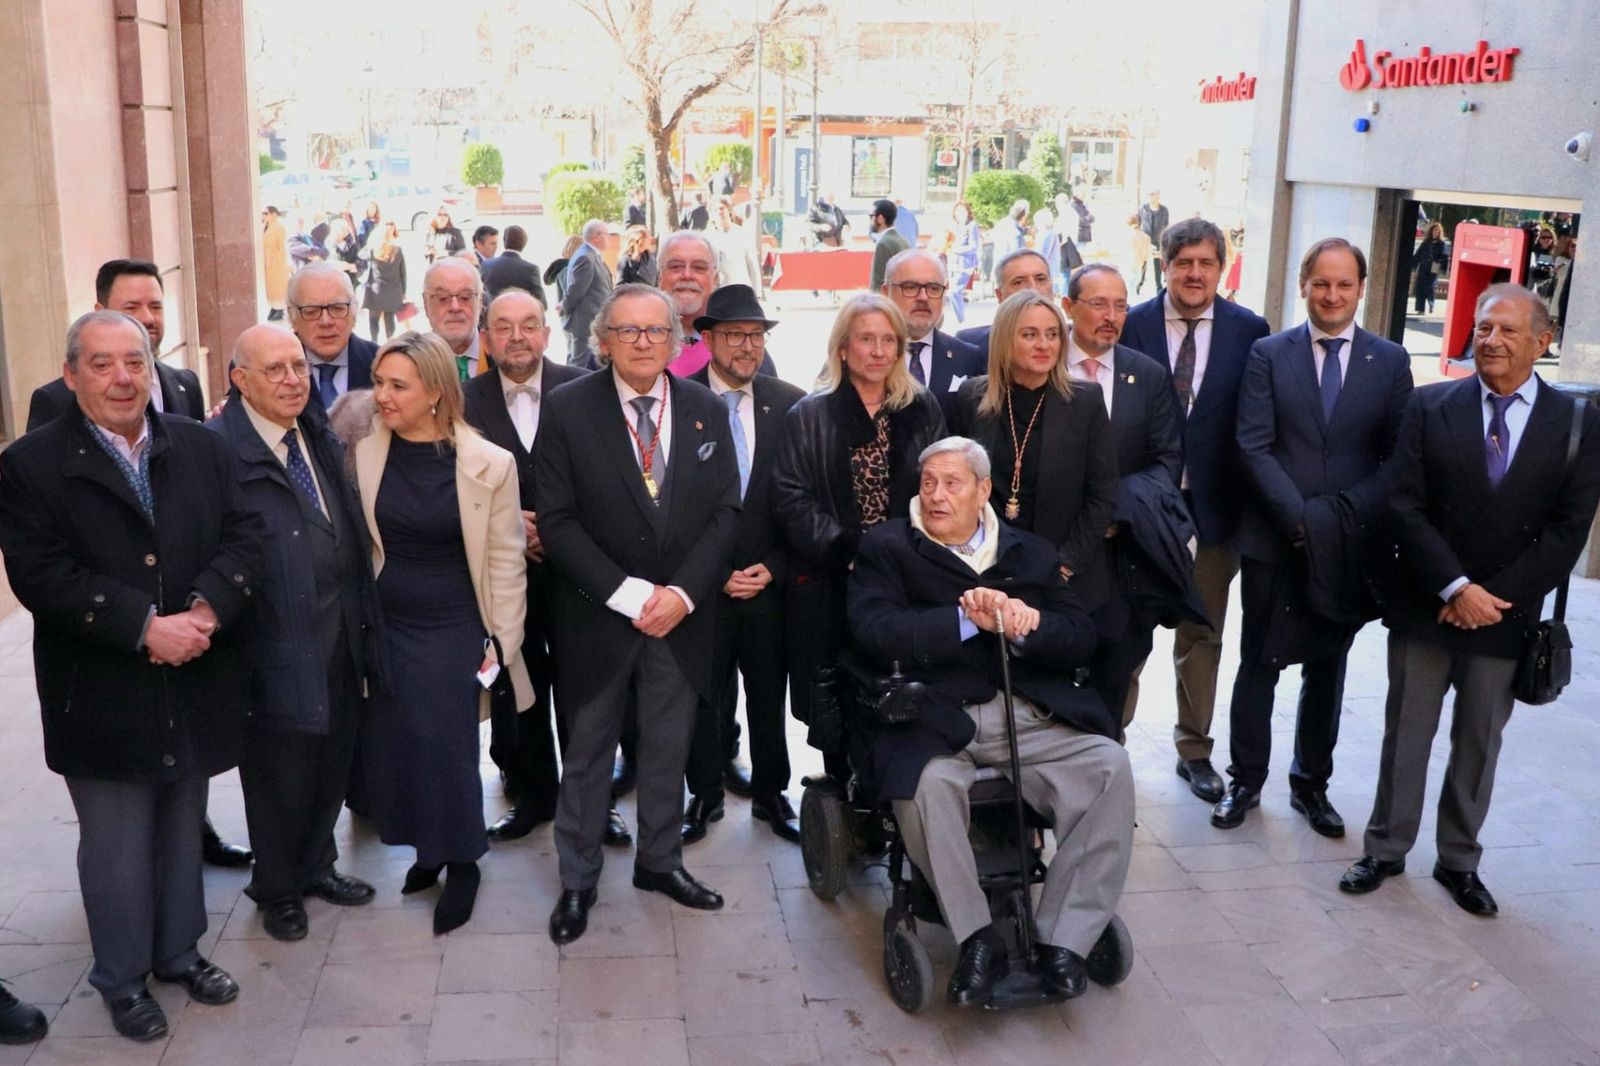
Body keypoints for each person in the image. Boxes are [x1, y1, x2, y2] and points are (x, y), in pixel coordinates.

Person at [0, 310, 265, 1041]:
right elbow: (41, 574)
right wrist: (144, 628)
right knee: (117, 843)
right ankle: (120, 979)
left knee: (182, 824)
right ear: (71, 375)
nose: (122, 378)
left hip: (193, 671)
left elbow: (247, 535)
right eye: (103, 363)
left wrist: (206, 615)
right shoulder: (29, 464)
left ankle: (180, 953)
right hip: (101, 687)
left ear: (153, 368)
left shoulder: (202, 448)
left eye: (135, 362)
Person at [1340, 284, 1600, 915]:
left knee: (1479, 742)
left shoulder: (1577, 423)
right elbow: (1404, 505)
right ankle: (1386, 846)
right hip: (1428, 604)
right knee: (1406, 732)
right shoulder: (1432, 407)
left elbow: (1568, 530)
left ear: (1543, 341)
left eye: (1509, 331)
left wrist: (1491, 599)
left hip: (1504, 619)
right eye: (1484, 328)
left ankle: (1459, 860)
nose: (1492, 341)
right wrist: (1456, 587)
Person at [848, 436, 1132, 1007]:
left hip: (1024, 712)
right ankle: (979, 938)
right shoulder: (886, 548)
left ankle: (1065, 939)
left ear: (983, 491)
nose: (936, 495)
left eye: (952, 483)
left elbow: (1080, 638)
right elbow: (873, 631)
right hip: (934, 716)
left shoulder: (1029, 553)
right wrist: (962, 621)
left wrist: (1029, 627)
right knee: (924, 789)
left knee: (1108, 767)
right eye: (928, 483)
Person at [537, 284, 742, 945]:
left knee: (667, 747)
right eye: (628, 332)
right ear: (603, 340)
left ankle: (660, 862)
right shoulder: (567, 410)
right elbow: (559, 524)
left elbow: (725, 514)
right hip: (599, 618)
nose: (644, 342)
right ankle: (578, 881)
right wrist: (629, 595)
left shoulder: (708, 409)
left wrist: (679, 596)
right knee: (589, 753)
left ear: (676, 340)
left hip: (680, 619)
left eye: (657, 331)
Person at [1217, 238, 1414, 833]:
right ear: (1303, 285)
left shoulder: (1392, 361)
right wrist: (1301, 518)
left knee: (1328, 665)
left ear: (1360, 289)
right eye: (1321, 283)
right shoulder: (1268, 355)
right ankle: (1244, 782)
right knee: (1258, 660)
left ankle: (1312, 785)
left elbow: (1396, 459)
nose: (1332, 295)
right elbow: (1252, 444)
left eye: (1344, 285)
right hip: (1274, 538)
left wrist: (1339, 521)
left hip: (1349, 545)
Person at [354, 331, 531, 935]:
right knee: (400, 742)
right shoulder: (364, 451)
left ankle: (464, 861)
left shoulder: (488, 462)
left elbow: (506, 560)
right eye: (378, 382)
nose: (381, 396)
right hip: (386, 626)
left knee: (446, 747)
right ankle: (428, 848)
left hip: (456, 627)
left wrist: (502, 643)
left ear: (435, 392)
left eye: (396, 385)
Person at [212, 325, 379, 941]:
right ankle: (278, 887)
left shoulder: (313, 429)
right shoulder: (218, 449)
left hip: (339, 631)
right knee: (278, 772)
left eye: (298, 367)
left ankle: (318, 866)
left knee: (330, 757)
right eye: (275, 369)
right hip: (270, 641)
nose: (292, 379)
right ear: (240, 380)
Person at [1119, 218, 1270, 805]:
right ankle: (1109, 746)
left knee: (1201, 633)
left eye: (1206, 263)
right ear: (1165, 265)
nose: (1194, 274)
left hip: (1215, 510)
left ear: (1221, 268)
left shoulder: (1248, 330)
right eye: (1183, 263)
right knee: (1128, 632)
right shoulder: (1128, 324)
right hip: (1142, 508)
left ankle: (1194, 750)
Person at [771, 294, 946, 779]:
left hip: (909, 577)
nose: (878, 350)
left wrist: (909, 554)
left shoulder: (920, 407)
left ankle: (900, 793)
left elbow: (942, 484)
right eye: (866, 339)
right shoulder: (810, 414)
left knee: (905, 689)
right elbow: (791, 497)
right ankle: (845, 796)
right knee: (838, 694)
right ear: (843, 348)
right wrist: (848, 552)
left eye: (889, 340)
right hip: (832, 579)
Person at [680, 286, 807, 844]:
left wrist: (773, 568)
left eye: (756, 336)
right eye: (734, 335)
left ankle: (773, 793)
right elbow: (668, 507)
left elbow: (803, 501)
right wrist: (706, 573)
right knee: (703, 695)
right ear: (707, 339)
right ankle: (703, 795)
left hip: (767, 584)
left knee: (766, 690)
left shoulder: (792, 403)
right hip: (701, 587)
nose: (747, 347)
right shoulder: (676, 403)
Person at [463, 290, 588, 840]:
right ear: (485, 339)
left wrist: (558, 529)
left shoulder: (586, 391)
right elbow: (456, 479)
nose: (517, 336)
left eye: (529, 325)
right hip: (503, 576)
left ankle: (591, 800)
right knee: (521, 684)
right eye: (503, 327)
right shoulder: (464, 401)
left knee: (585, 688)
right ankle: (536, 795)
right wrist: (511, 522)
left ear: (547, 332)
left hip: (580, 573)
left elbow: (608, 474)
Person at [1060, 265, 1190, 724]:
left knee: (1115, 673)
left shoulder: (1147, 375)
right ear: (1068, 307)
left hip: (1121, 555)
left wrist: (1119, 510)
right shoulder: (1045, 364)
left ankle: (1104, 766)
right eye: (1098, 304)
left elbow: (1166, 460)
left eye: (1120, 305)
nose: (1111, 316)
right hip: (1055, 552)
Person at [950, 290, 1117, 612]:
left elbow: (1102, 494)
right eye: (1030, 334)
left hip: (1062, 573)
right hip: (986, 574)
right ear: (1004, 339)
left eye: (1052, 334)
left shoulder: (1085, 401)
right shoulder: (972, 398)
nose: (1044, 345)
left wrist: (1065, 565)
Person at [27, 259, 207, 432]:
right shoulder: (55, 400)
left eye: (155, 307)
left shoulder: (186, 384)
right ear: (101, 313)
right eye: (131, 308)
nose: (148, 318)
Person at [661, 231, 778, 379]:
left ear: (715, 279)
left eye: (699, 267)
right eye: (676, 266)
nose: (687, 275)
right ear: (659, 276)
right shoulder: (636, 342)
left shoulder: (744, 345)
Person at [882, 249, 984, 417]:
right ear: (887, 292)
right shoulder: (863, 354)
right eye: (910, 287)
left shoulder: (968, 357)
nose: (923, 297)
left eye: (934, 288)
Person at [289, 262, 379, 411]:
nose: (326, 322)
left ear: (354, 312)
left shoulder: (381, 364)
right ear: (293, 317)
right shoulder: (270, 371)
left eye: (337, 309)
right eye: (311, 311)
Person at [954, 248, 1054, 360]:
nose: (1033, 288)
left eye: (1040, 279)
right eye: (1019, 282)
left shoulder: (1070, 339)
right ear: (999, 295)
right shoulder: (971, 345)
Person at [557, 219, 613, 368]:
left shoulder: (593, 256)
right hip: (584, 324)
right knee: (578, 365)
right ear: (595, 236)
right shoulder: (585, 257)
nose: (610, 238)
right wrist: (564, 308)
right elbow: (575, 291)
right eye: (607, 235)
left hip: (594, 322)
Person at [424, 257, 490, 381]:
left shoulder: (501, 356)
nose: (455, 307)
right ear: (426, 303)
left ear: (480, 302)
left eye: (465, 297)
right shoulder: (410, 363)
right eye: (443, 298)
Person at [361, 221, 407, 342]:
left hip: (376, 290)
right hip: (393, 291)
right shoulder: (397, 250)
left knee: (373, 320)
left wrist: (370, 241)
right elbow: (403, 272)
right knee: (389, 319)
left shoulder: (372, 250)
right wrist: (404, 291)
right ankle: (390, 342)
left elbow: (361, 255)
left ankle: (374, 342)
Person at [480, 224, 547, 307]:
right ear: (524, 243)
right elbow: (542, 304)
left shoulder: (486, 265)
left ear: (504, 241)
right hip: (519, 316)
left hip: (492, 317)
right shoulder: (531, 270)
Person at [707, 196, 762, 292]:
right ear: (711, 215)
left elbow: (753, 265)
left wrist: (757, 293)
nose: (719, 212)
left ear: (729, 210)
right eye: (715, 210)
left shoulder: (742, 233)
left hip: (742, 291)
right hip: (719, 293)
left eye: (721, 208)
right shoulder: (708, 238)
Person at [948, 200, 981, 322]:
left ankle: (960, 320)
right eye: (957, 212)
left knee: (954, 292)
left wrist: (958, 249)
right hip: (952, 263)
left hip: (965, 264)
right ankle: (959, 318)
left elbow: (974, 246)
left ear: (968, 212)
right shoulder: (954, 226)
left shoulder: (972, 226)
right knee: (954, 292)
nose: (960, 214)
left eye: (963, 211)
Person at [868, 198, 910, 291]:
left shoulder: (884, 243)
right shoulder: (903, 240)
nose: (870, 221)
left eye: (871, 216)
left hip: (888, 301)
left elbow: (878, 284)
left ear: (880, 219)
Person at [989, 199, 1030, 289]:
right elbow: (1015, 253)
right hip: (1009, 269)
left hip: (1000, 265)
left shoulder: (1003, 223)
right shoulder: (1014, 231)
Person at [1411, 221, 1450, 315]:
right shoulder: (1425, 243)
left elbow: (1444, 257)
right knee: (1419, 288)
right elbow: (1418, 255)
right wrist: (1414, 266)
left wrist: (1442, 267)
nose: (1435, 233)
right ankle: (1420, 309)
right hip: (1423, 267)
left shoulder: (1442, 244)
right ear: (1431, 231)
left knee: (1430, 287)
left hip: (1433, 268)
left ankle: (1431, 303)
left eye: (1437, 231)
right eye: (1434, 231)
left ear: (1439, 233)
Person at [263, 205, 290, 321]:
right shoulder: (266, 227)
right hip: (267, 261)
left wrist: (279, 260)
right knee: (270, 286)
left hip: (276, 262)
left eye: (266, 213)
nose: (264, 216)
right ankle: (274, 306)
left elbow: (282, 247)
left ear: (274, 214)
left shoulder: (279, 228)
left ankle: (279, 308)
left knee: (277, 285)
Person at [1137, 190, 1169, 274]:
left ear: (1158, 196)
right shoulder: (1143, 208)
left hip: (1158, 240)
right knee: (1143, 261)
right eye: (1150, 195)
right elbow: (1138, 221)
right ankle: (1140, 282)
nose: (1151, 197)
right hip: (1145, 239)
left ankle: (1158, 284)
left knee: (1158, 262)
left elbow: (1166, 224)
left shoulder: (1164, 210)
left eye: (1153, 194)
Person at [1128, 215, 1155, 295]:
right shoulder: (1146, 237)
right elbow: (1146, 255)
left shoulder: (1129, 236)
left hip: (1131, 265)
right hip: (1141, 265)